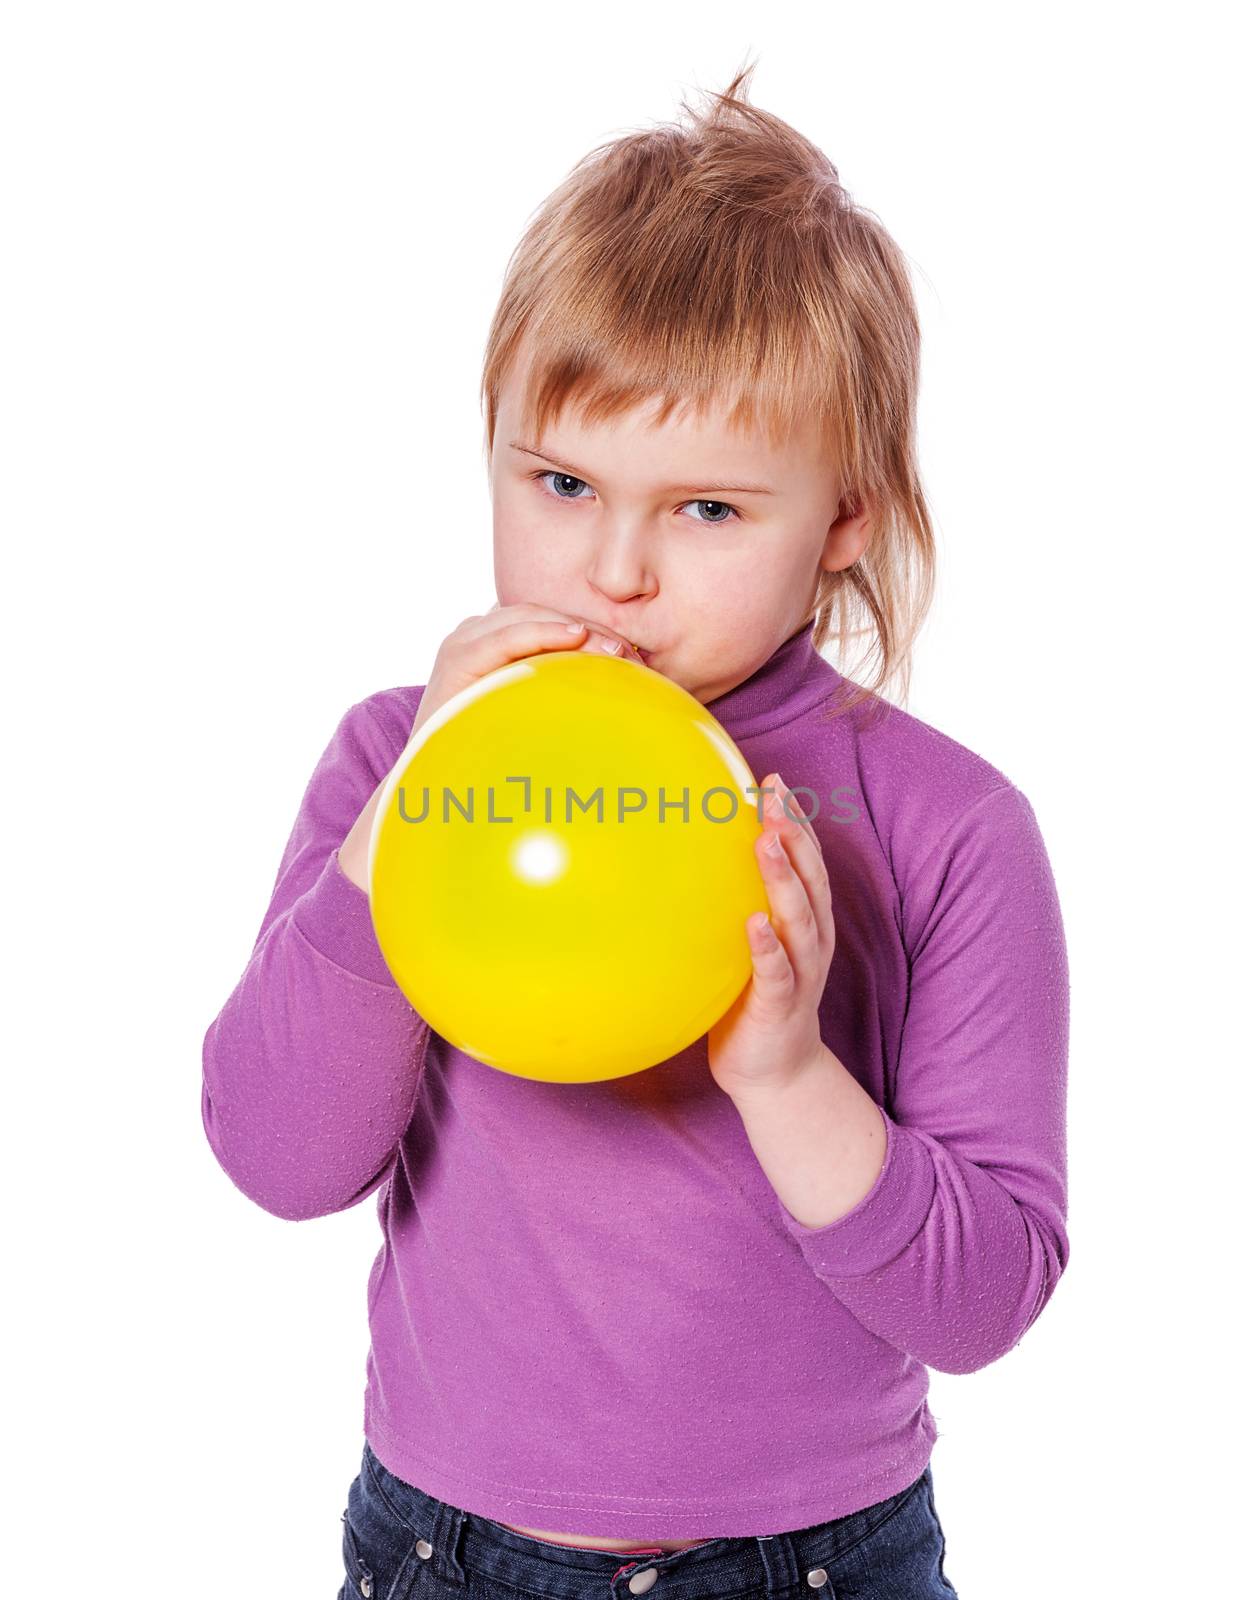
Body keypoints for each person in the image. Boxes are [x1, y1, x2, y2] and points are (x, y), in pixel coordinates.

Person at [202, 61, 1069, 1600]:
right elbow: (277, 1160)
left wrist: (787, 1073)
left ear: (845, 522)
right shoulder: (397, 765)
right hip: (442, 1550)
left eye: (708, 511)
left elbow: (983, 1302)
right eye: (559, 481)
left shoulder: (947, 830)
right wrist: (384, 855)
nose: (613, 569)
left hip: (822, 1565)